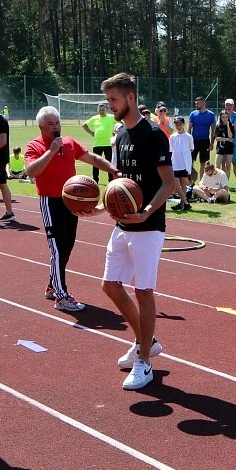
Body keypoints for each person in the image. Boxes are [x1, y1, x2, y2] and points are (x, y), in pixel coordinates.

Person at [99, 73, 175, 391]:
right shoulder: (121, 136)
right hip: (123, 225)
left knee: (144, 292)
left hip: (148, 226)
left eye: (113, 100)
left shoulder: (154, 134)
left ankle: (144, 361)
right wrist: (100, 207)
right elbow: (121, 186)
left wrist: (145, 212)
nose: (109, 105)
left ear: (130, 98)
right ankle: (146, 340)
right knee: (110, 286)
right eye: (108, 100)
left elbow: (169, 184)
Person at [24, 106, 119, 313]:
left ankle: (52, 285)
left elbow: (92, 158)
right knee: (57, 248)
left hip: (72, 202)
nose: (55, 127)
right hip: (51, 202)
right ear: (41, 126)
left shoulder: (69, 142)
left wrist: (112, 169)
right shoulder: (34, 146)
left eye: (57, 123)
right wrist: (50, 151)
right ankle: (61, 295)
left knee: (66, 247)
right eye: (50, 124)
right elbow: (31, 171)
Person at [82, 102, 117, 183]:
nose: (101, 111)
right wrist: (91, 133)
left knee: (109, 163)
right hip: (97, 144)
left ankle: (111, 180)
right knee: (96, 163)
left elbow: (121, 122)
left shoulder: (111, 117)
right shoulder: (94, 118)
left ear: (106, 110)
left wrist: (116, 133)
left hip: (108, 144)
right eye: (100, 110)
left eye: (103, 110)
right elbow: (84, 125)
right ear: (98, 110)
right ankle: (95, 180)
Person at [168, 116, 194, 212]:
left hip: (184, 163)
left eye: (180, 124)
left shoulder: (188, 136)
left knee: (183, 184)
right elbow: (171, 150)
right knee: (175, 184)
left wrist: (187, 162)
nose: (178, 126)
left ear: (183, 124)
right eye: (177, 124)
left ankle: (182, 203)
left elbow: (191, 148)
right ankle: (185, 202)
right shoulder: (173, 137)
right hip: (175, 163)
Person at [187, 96, 217, 176]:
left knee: (204, 163)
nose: (196, 105)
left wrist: (211, 143)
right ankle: (190, 181)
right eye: (196, 103)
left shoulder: (211, 115)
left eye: (198, 103)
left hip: (205, 142)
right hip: (194, 141)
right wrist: (189, 142)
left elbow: (213, 130)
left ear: (203, 103)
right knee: (190, 161)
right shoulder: (193, 114)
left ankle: (202, 182)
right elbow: (189, 129)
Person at [213, 110, 236, 177]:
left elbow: (231, 136)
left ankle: (226, 183)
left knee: (228, 166)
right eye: (223, 117)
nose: (225, 118)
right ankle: (216, 182)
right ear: (220, 117)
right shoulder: (218, 126)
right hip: (220, 147)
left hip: (229, 147)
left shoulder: (231, 125)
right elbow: (217, 138)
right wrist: (227, 139)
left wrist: (228, 126)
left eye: (226, 117)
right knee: (217, 166)